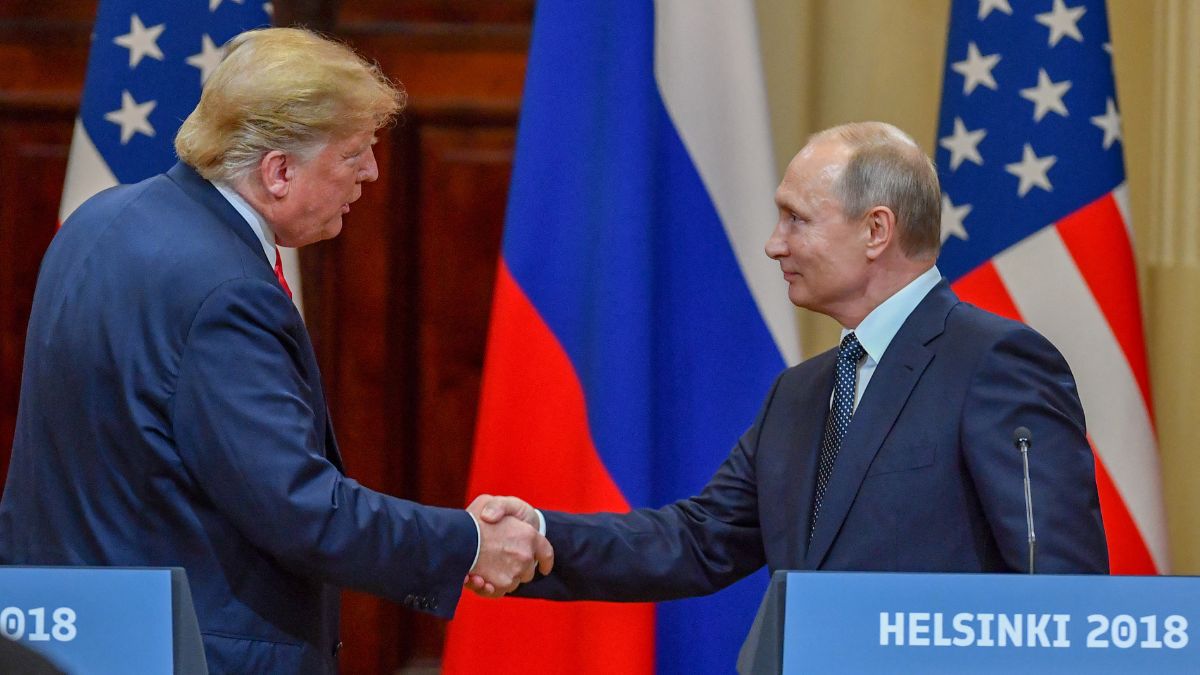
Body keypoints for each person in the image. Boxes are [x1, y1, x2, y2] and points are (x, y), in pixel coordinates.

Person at [0, 27, 550, 673]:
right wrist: (468, 543)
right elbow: (301, 511)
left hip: (65, 639)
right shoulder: (226, 289)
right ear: (279, 170)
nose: (371, 172)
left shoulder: (100, 219)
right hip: (193, 652)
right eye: (354, 153)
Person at [469, 121, 1107, 603]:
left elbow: (1062, 592)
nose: (775, 245)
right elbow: (697, 541)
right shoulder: (800, 393)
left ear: (876, 230)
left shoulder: (994, 362)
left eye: (796, 219)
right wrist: (541, 536)